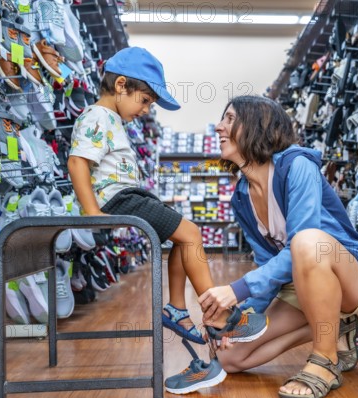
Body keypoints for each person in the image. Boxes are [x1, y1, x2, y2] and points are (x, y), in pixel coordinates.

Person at [67, 48, 268, 348]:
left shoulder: (110, 119)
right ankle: (217, 313)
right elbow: (77, 162)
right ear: (121, 85)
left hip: (128, 197)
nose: (146, 109)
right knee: (192, 233)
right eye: (145, 100)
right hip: (118, 200)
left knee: (184, 236)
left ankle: (177, 308)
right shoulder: (98, 116)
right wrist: (92, 211)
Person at [197, 95, 358, 398]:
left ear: (259, 126)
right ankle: (334, 326)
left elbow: (306, 239)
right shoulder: (241, 197)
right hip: (301, 286)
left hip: (353, 277)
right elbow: (265, 264)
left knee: (307, 241)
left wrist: (236, 289)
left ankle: (325, 361)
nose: (219, 127)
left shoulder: (296, 166)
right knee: (230, 359)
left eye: (230, 119)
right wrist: (240, 321)